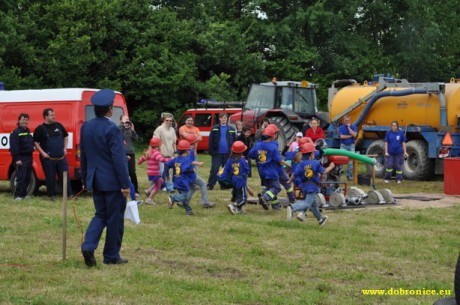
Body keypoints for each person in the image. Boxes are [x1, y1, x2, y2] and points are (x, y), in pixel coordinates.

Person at [80, 89, 131, 267]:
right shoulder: (112, 129)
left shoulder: (85, 127)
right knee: (115, 218)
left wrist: (85, 179)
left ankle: (88, 245)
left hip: (95, 179)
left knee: (100, 215)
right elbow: (118, 159)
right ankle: (111, 256)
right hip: (112, 182)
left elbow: (84, 155)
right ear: (110, 109)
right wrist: (125, 184)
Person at [287, 143, 334, 225]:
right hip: (312, 186)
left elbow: (294, 174)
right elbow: (323, 172)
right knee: (307, 203)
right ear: (312, 154)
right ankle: (292, 208)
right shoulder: (315, 163)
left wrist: (289, 181)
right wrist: (331, 167)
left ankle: (320, 220)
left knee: (314, 205)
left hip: (304, 186)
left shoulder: (301, 164)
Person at [33, 108, 73, 200]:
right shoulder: (40, 129)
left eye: (54, 114)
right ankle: (52, 196)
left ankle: (70, 195)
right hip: (48, 159)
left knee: (65, 177)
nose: (54, 116)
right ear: (46, 116)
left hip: (61, 158)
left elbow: (66, 136)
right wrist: (42, 153)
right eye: (51, 115)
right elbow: (35, 142)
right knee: (50, 178)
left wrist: (65, 148)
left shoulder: (59, 126)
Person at [165, 140, 203, 216]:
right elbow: (186, 169)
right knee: (184, 196)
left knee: (183, 196)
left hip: (176, 180)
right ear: (186, 151)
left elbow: (166, 165)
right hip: (183, 181)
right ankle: (172, 198)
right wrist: (193, 170)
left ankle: (188, 211)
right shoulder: (185, 160)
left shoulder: (176, 159)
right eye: (188, 149)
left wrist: (167, 176)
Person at [248, 126, 282, 210]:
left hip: (261, 171)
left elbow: (250, 155)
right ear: (272, 136)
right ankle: (265, 197)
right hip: (271, 171)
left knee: (269, 188)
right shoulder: (273, 146)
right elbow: (278, 159)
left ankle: (275, 205)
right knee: (276, 188)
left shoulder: (258, 145)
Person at [137, 137, 172, 205]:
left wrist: (139, 162)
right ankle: (149, 199)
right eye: (160, 145)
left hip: (151, 172)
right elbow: (161, 159)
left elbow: (142, 158)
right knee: (157, 186)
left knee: (161, 180)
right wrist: (170, 159)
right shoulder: (156, 153)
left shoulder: (149, 151)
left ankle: (149, 191)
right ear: (158, 146)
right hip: (154, 173)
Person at [207, 112, 236, 190]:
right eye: (222, 118)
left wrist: (234, 153)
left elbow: (235, 142)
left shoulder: (232, 129)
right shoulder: (215, 128)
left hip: (228, 154)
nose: (223, 119)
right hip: (217, 153)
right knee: (214, 169)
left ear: (227, 119)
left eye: (225, 118)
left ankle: (224, 186)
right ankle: (210, 185)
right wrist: (211, 151)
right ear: (219, 119)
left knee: (225, 170)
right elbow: (210, 140)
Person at [184, 134, 215, 208]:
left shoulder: (185, 150)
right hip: (190, 173)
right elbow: (189, 162)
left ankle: (184, 202)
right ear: (193, 143)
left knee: (193, 187)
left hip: (186, 173)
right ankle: (205, 202)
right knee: (203, 184)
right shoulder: (191, 151)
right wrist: (199, 163)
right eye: (196, 142)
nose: (196, 144)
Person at [9, 113, 34, 201]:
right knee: (21, 177)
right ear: (19, 121)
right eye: (23, 119)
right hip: (21, 158)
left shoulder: (28, 132)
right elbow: (14, 147)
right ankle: (17, 195)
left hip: (29, 157)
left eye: (26, 120)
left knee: (27, 176)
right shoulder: (15, 133)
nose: (25, 121)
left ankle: (24, 194)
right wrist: (17, 159)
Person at [221, 141, 251, 215]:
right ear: (242, 151)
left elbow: (227, 170)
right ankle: (233, 205)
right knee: (244, 198)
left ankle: (238, 210)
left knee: (239, 194)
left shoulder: (230, 160)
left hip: (234, 179)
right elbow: (247, 170)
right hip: (241, 179)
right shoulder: (243, 160)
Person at [120, 115, 139, 196]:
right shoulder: (119, 128)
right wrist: (123, 127)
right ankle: (123, 188)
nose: (127, 120)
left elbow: (136, 139)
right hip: (122, 153)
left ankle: (135, 190)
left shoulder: (130, 129)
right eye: (125, 119)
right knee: (123, 171)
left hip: (131, 152)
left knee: (132, 172)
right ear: (121, 120)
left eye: (128, 119)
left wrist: (133, 130)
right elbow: (119, 137)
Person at [338, 115, 358, 181]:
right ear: (343, 121)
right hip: (343, 145)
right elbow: (341, 137)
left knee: (350, 161)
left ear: (350, 120)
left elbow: (355, 135)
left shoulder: (353, 126)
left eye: (348, 120)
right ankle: (340, 173)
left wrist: (349, 128)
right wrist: (350, 136)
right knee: (340, 159)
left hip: (351, 145)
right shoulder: (341, 128)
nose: (347, 122)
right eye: (346, 120)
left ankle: (349, 176)